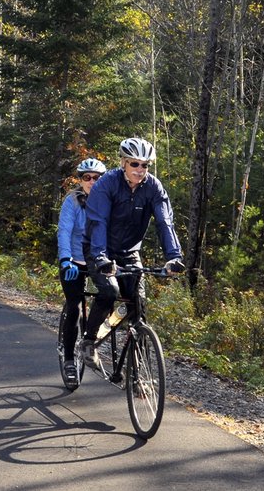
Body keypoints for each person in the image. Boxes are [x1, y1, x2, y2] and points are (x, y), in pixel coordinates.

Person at [81, 137, 185, 368]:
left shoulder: (152, 187)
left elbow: (164, 222)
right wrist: (100, 257)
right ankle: (88, 341)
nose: (140, 170)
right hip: (99, 249)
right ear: (123, 163)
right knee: (110, 290)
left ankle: (138, 375)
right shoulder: (107, 184)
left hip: (129, 252)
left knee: (138, 305)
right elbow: (98, 222)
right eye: (134, 164)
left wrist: (173, 256)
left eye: (145, 165)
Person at [57, 157, 107, 388]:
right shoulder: (72, 202)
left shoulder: (108, 201)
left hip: (97, 260)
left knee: (111, 295)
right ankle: (69, 360)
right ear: (80, 180)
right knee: (74, 307)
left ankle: (91, 338)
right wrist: (66, 260)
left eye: (97, 178)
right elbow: (64, 231)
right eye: (87, 178)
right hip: (73, 262)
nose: (92, 182)